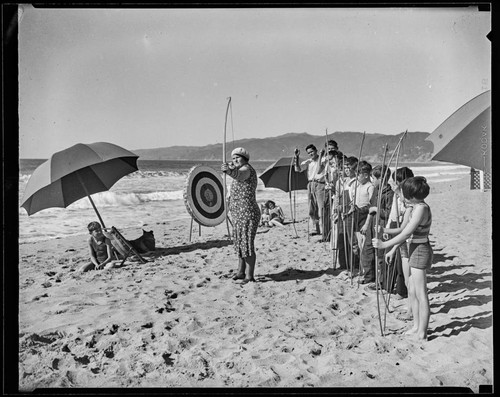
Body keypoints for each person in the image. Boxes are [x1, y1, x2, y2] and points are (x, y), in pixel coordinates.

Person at [373, 176, 433, 340]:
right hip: (415, 248)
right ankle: (416, 326)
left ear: (411, 195)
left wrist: (385, 245)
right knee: (412, 290)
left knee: (421, 293)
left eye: (404, 194)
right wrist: (392, 249)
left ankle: (422, 332)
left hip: (420, 249)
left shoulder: (421, 208)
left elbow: (406, 232)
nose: (402, 197)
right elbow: (405, 232)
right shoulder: (415, 206)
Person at [221, 147, 261, 284]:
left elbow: (239, 175)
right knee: (239, 243)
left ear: (245, 159)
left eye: (237, 157)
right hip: (238, 213)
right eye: (233, 158)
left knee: (247, 245)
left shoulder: (247, 170)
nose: (235, 160)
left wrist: (229, 171)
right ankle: (240, 272)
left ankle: (249, 276)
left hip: (248, 213)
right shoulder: (240, 170)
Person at [360, 165, 394, 285]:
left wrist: (376, 209)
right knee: (367, 251)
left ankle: (381, 281)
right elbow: (370, 209)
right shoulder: (376, 190)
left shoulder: (389, 194)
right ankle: (369, 277)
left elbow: (389, 213)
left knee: (380, 255)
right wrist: (367, 222)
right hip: (372, 225)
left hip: (381, 225)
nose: (372, 181)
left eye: (374, 178)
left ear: (381, 179)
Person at [348, 161, 375, 282]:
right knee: (358, 245)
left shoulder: (370, 186)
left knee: (364, 245)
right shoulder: (357, 185)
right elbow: (354, 200)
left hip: (365, 216)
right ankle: (361, 269)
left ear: (365, 174)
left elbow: (371, 207)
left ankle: (367, 272)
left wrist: (367, 223)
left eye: (358, 173)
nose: (356, 176)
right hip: (356, 215)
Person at [294, 144, 327, 238]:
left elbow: (319, 169)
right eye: (308, 153)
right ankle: (315, 228)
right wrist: (296, 157)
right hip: (310, 184)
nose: (310, 154)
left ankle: (324, 229)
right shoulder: (307, 162)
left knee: (321, 208)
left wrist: (321, 156)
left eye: (312, 152)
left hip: (320, 184)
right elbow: (298, 169)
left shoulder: (323, 159)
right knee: (312, 208)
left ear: (316, 150)